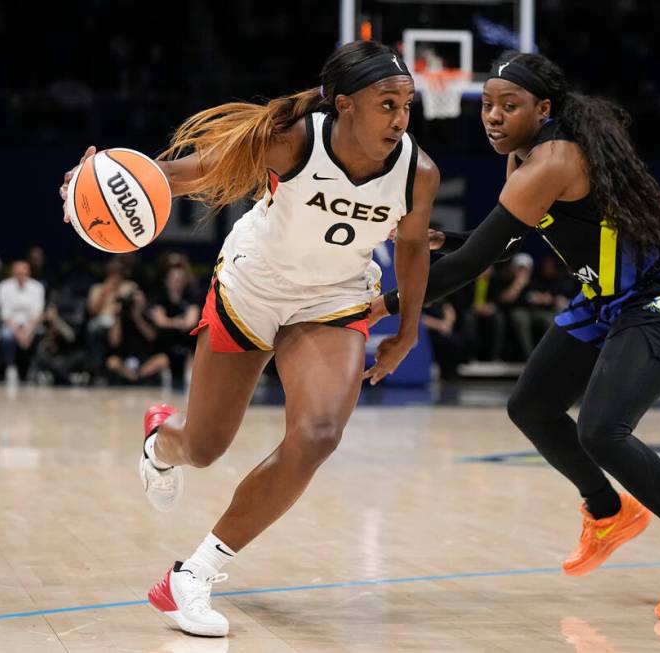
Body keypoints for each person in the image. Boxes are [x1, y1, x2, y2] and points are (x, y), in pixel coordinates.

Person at [59, 41, 436, 637]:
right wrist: (97, 181)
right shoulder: (293, 141)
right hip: (251, 289)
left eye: (406, 106)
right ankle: (162, 440)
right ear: (343, 105)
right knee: (204, 448)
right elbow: (184, 174)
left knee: (317, 435)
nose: (399, 118)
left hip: (332, 301)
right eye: (386, 104)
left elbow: (412, 247)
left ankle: (193, 574)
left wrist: (408, 330)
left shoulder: (420, 172)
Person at [373, 52, 660, 621]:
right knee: (533, 406)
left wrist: (378, 306)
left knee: (603, 431)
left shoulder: (552, 159)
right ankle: (607, 511)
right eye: (488, 105)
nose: (493, 117)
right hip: (606, 295)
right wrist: (450, 239)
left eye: (509, 105)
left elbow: (471, 268)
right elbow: (495, 243)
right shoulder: (524, 160)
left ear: (543, 108)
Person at [0, 260, 45, 382]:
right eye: (18, 273)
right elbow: (5, 314)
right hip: (11, 325)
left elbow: (37, 313)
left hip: (31, 325)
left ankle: (34, 370)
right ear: (13, 273)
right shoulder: (3, 286)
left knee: (41, 334)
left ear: (29, 273)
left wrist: (27, 332)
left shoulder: (37, 287)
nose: (21, 276)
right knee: (6, 336)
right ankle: (10, 366)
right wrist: (18, 334)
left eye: (23, 273)